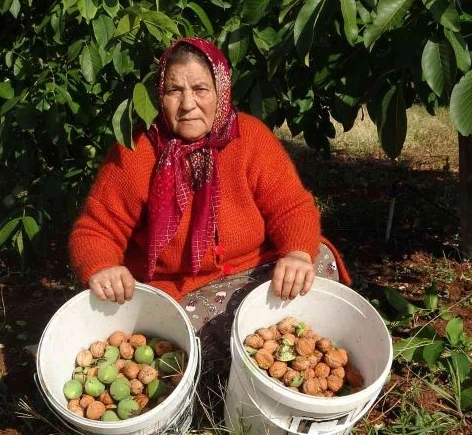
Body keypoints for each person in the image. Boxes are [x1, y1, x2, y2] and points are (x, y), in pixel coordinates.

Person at [68, 37, 351, 409]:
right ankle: (217, 386)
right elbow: (94, 230)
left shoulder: (249, 137)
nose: (187, 104)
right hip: (184, 292)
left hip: (256, 273)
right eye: (174, 91)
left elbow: (292, 207)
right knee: (179, 353)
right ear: (160, 96)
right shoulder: (137, 151)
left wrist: (296, 253)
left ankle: (253, 365)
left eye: (201, 89)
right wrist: (103, 266)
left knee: (317, 260)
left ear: (221, 90)